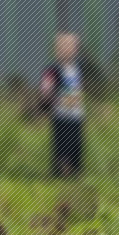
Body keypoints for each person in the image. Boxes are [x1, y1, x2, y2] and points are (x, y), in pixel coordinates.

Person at [39, 32, 85, 176]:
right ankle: (60, 170)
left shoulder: (78, 68)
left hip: (76, 114)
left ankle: (75, 169)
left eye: (71, 46)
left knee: (76, 142)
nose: (68, 50)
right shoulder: (53, 69)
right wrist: (46, 98)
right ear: (57, 50)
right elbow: (46, 87)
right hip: (60, 114)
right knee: (61, 142)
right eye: (63, 47)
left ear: (76, 49)